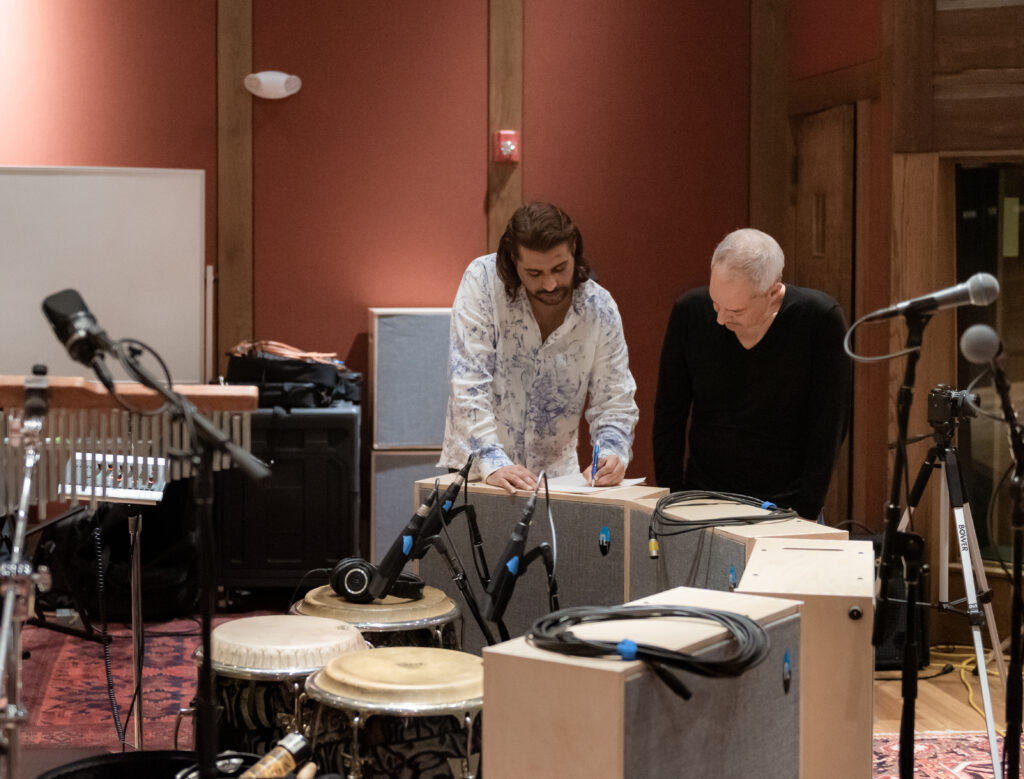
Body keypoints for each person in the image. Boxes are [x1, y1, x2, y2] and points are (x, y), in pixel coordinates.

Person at [652, 227, 851, 521]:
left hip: (787, 507)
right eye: (715, 303)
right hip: (701, 501)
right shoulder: (689, 312)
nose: (720, 319)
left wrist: (806, 512)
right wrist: (674, 499)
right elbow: (668, 415)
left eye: (735, 310)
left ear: (772, 292)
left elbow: (830, 427)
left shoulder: (820, 320)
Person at [440, 201, 639, 493]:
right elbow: (468, 383)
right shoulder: (482, 282)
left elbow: (614, 401)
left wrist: (612, 453)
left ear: (574, 248)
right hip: (482, 475)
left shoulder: (599, 308)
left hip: (557, 480)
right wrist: (493, 461)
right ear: (512, 260)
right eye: (534, 273)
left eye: (560, 268)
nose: (549, 284)